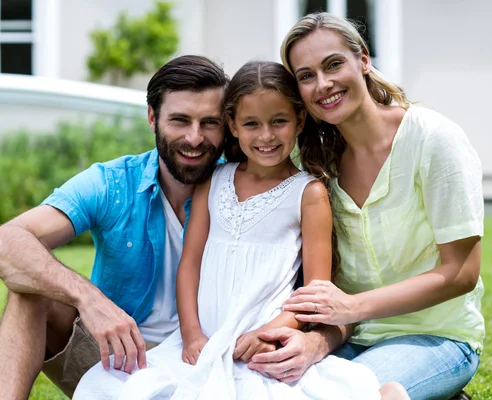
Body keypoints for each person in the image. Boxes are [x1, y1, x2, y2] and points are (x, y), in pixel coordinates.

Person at [73, 60, 407, 400]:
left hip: (262, 340)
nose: (266, 135)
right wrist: (190, 334)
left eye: (279, 121)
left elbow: (314, 293)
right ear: (232, 124)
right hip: (203, 337)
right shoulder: (213, 182)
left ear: (299, 120)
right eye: (251, 123)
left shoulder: (308, 194)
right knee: (106, 388)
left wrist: (269, 331)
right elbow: (190, 266)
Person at [249, 12, 484, 400]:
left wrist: (350, 307)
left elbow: (461, 272)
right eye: (306, 76)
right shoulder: (318, 161)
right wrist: (316, 343)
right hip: (351, 336)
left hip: (436, 339)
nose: (323, 84)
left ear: (363, 59)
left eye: (333, 64)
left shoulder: (433, 139)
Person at [0, 55, 229, 399]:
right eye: (180, 120)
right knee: (31, 291)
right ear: (152, 117)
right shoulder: (113, 183)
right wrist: (88, 298)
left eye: (209, 123)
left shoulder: (243, 188)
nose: (195, 138)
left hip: (208, 361)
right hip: (118, 357)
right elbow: (8, 241)